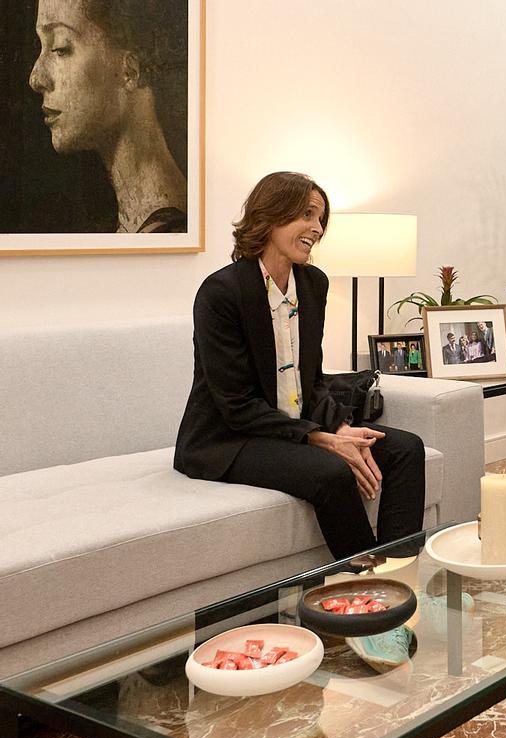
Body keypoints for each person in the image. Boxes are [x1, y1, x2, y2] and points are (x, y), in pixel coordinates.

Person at [174, 172, 427, 560]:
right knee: (331, 472)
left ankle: (398, 570)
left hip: (293, 423)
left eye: (321, 219)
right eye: (307, 215)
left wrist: (340, 426)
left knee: (406, 448)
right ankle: (364, 590)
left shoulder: (313, 285)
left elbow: (311, 379)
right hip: (228, 439)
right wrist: (321, 439)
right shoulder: (222, 292)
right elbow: (236, 405)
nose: (318, 228)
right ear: (271, 216)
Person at [28, 0, 188, 233]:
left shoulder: (173, 228)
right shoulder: (133, 223)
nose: (36, 78)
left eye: (60, 48)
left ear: (129, 71)